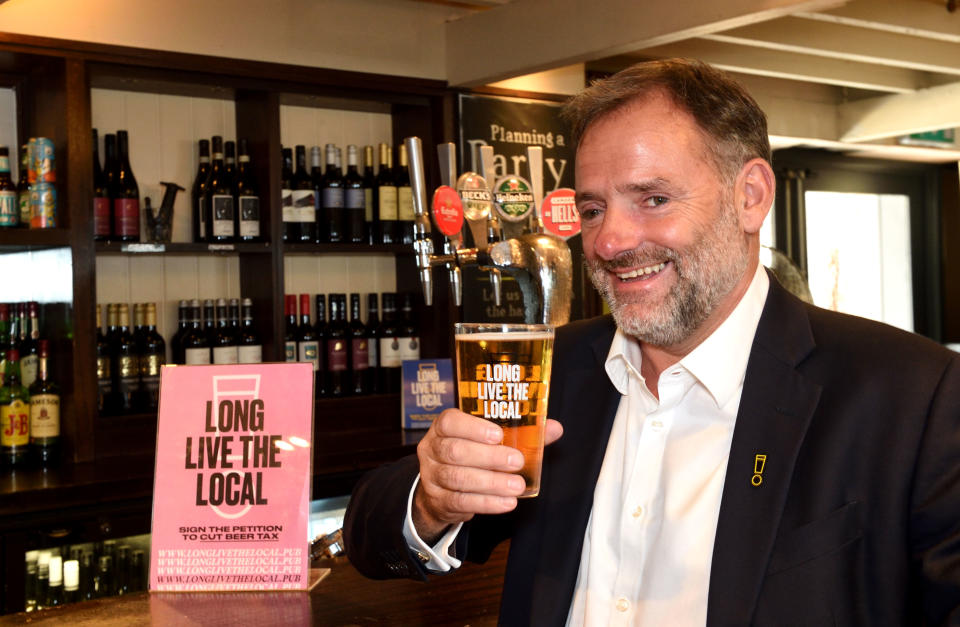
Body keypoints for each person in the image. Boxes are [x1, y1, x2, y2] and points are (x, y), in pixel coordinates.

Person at [343, 59, 960, 626]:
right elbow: (370, 536)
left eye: (653, 199)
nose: (609, 242)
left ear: (751, 196)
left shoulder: (910, 395)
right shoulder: (553, 373)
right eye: (591, 209)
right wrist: (432, 499)